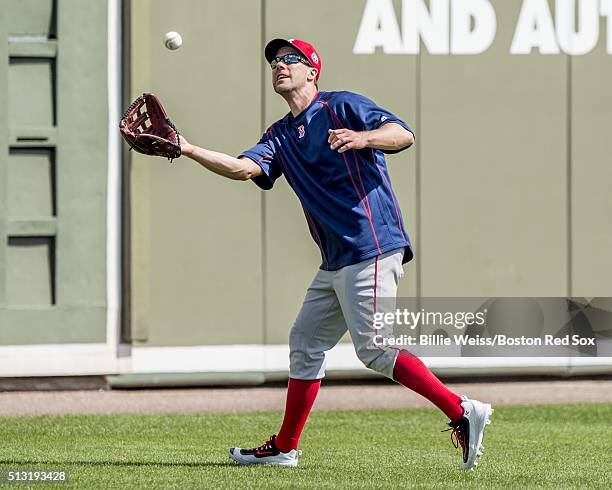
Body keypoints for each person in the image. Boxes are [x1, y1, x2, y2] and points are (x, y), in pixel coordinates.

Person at [179, 38, 492, 471]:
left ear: (313, 70)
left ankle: (462, 410)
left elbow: (404, 134)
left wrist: (364, 138)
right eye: (274, 60)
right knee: (305, 342)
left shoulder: (341, 106)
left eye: (290, 58)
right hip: (337, 260)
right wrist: (187, 148)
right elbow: (243, 168)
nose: (279, 65)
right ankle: (286, 447)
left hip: (372, 244)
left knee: (376, 350)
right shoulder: (280, 135)